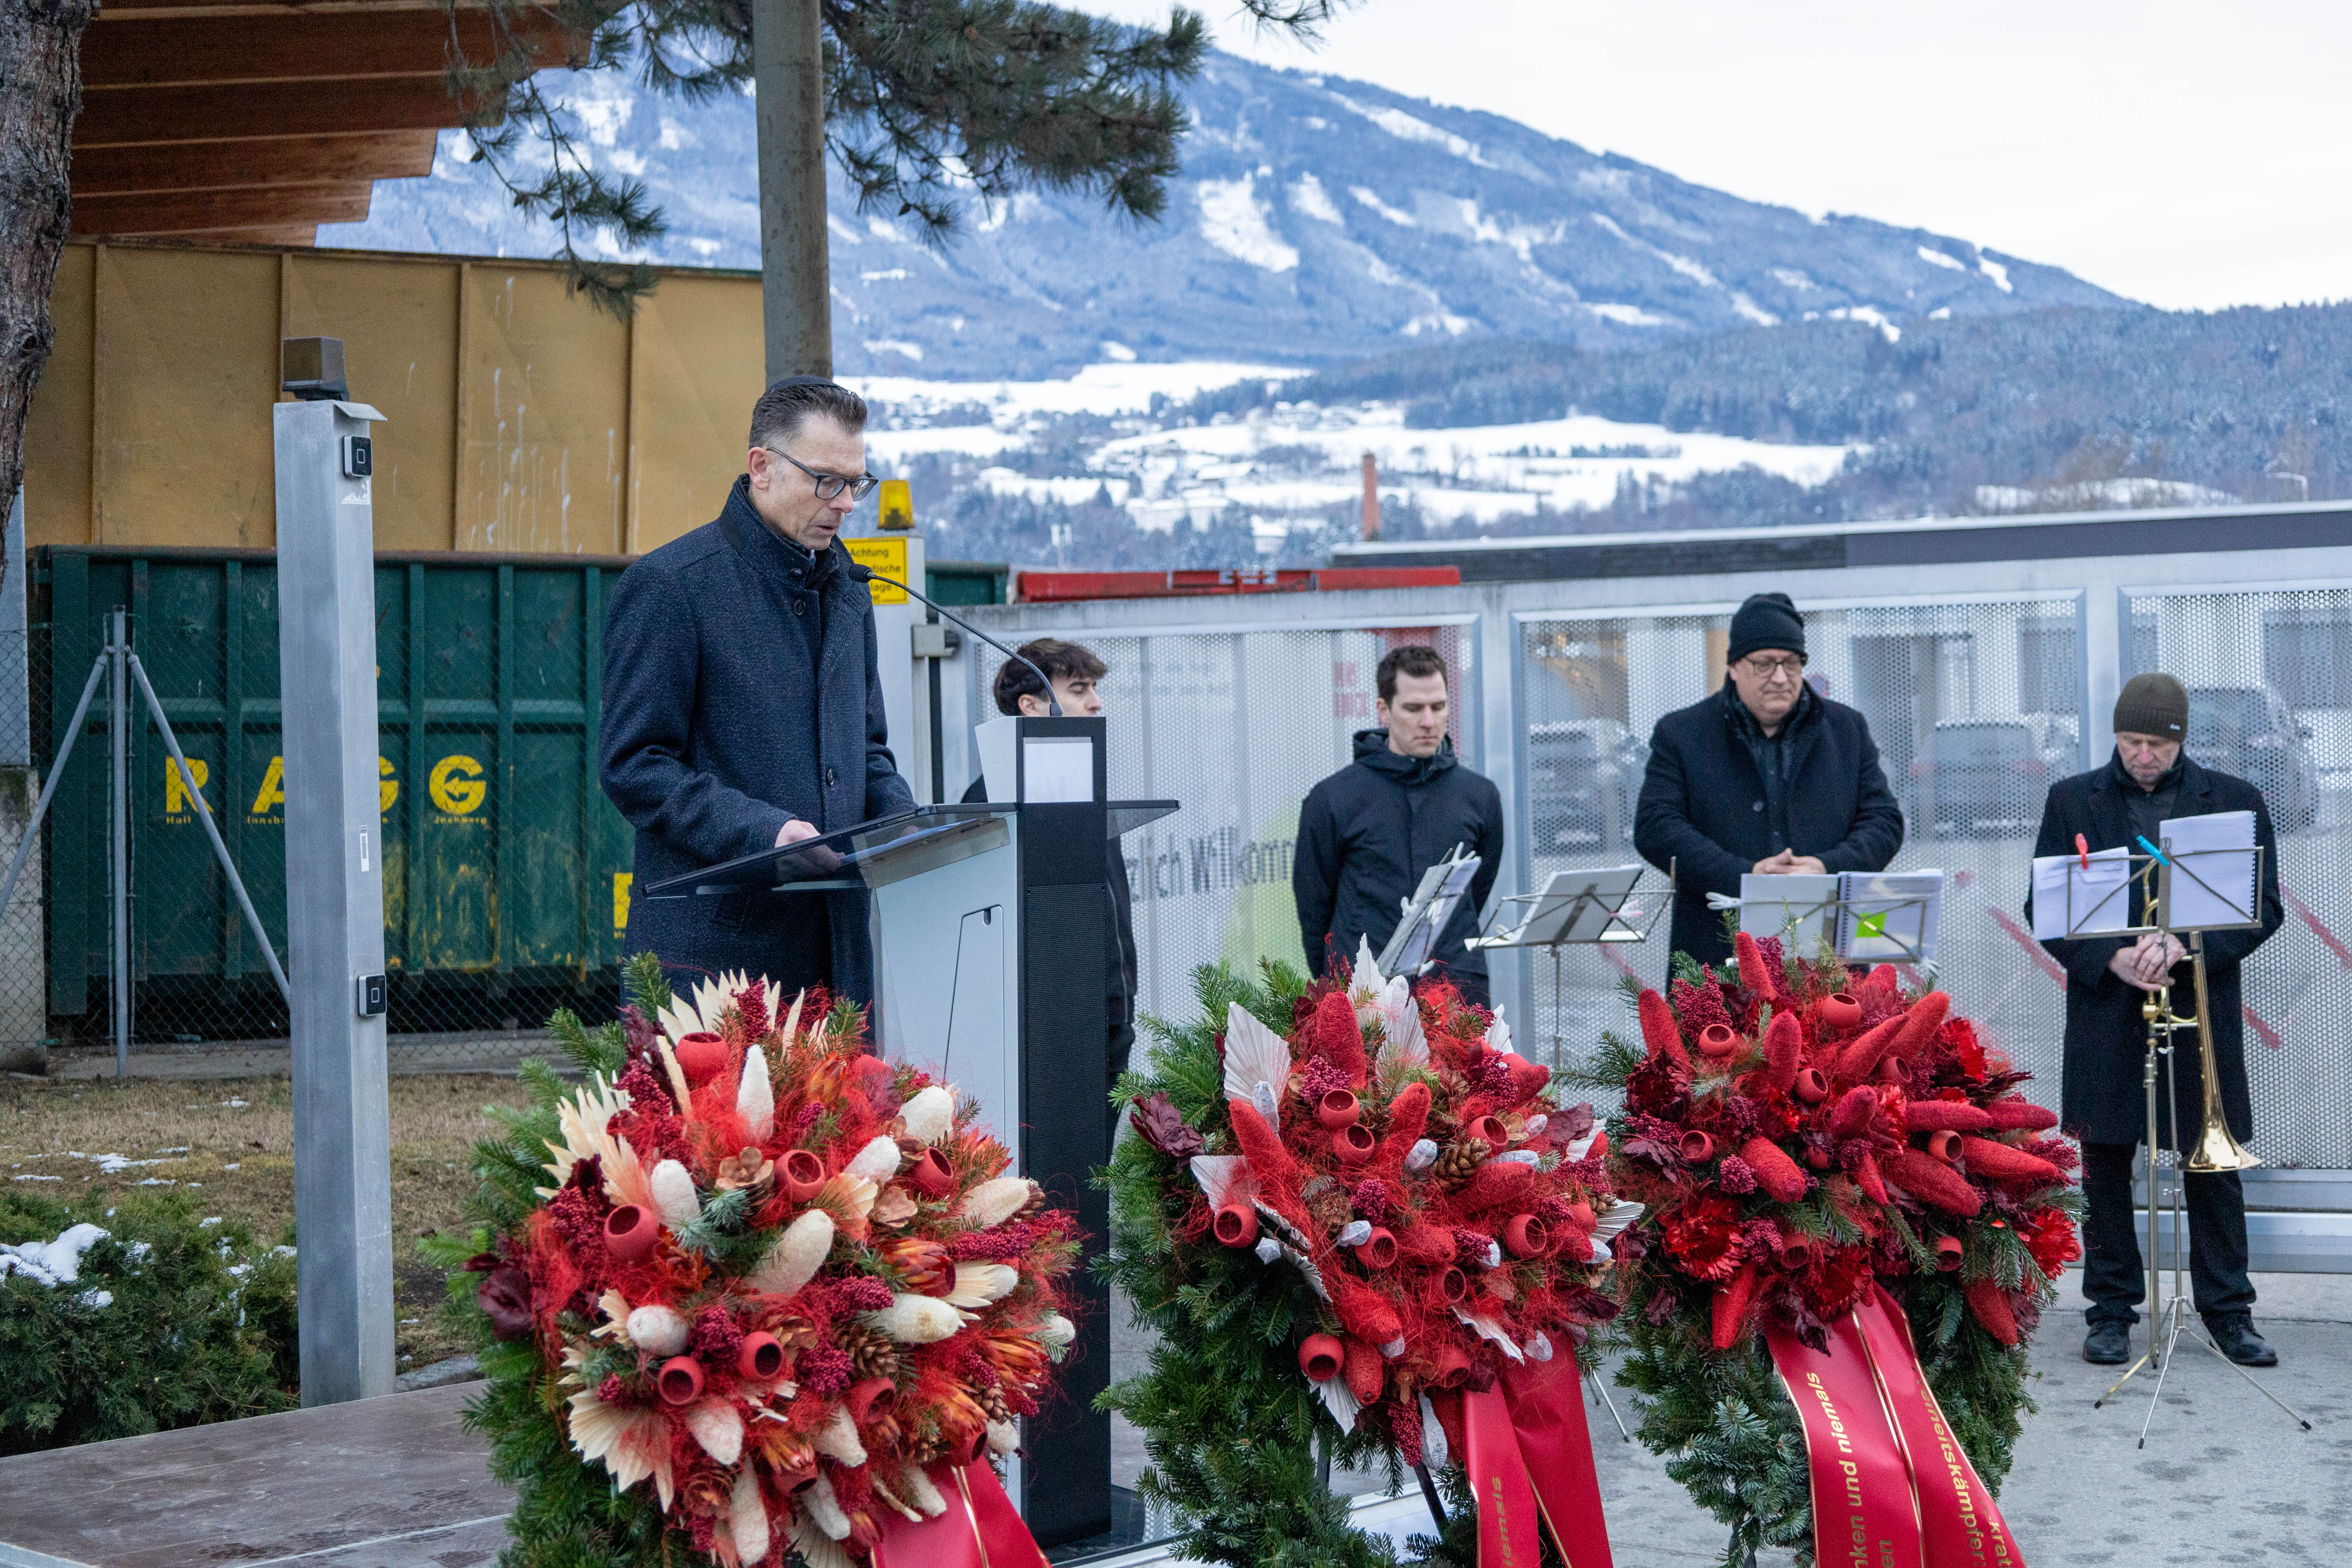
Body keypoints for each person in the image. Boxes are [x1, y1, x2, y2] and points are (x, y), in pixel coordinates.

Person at [600, 376, 915, 1004]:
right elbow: (635, 765)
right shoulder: (672, 587)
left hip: (839, 962)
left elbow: (867, 748)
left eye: (857, 482)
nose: (847, 502)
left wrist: (903, 825)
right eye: (826, 480)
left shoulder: (850, 591)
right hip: (716, 969)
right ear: (761, 467)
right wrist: (763, 834)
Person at [2027, 672, 2283, 1368]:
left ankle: (2230, 1313)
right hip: (2110, 1011)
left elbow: (2264, 907)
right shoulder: (2071, 800)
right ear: (2115, 735)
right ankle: (2111, 1311)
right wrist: (2110, 958)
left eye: (2157, 744)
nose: (2143, 756)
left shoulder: (2234, 801)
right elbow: (2043, 910)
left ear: (2181, 739)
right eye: (2131, 741)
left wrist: (2188, 942)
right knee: (2106, 1162)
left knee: (2211, 1163)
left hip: (2197, 1008)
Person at [1634, 592, 1904, 969]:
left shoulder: (1847, 729)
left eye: (1791, 663)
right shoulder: (1682, 734)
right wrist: (1746, 877)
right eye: (1764, 664)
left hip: (1828, 964)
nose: (1781, 677)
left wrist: (1826, 868)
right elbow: (1656, 827)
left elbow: (1884, 821)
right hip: (1717, 961)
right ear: (1733, 666)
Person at [961, 640, 1138, 1107]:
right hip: (1041, 1022)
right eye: (1079, 689)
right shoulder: (990, 797)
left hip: (1109, 1012)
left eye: (1095, 687)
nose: (1096, 701)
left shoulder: (1085, 781)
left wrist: (1123, 999)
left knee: (1096, 1175)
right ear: (1031, 705)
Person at [1294, 645, 1504, 1007]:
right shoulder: (1332, 798)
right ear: (1384, 711)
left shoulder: (1480, 795)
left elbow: (1477, 890)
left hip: (1458, 993)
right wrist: (1338, 983)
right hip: (1365, 995)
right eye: (1413, 708)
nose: (1428, 721)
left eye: (1438, 707)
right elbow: (1314, 909)